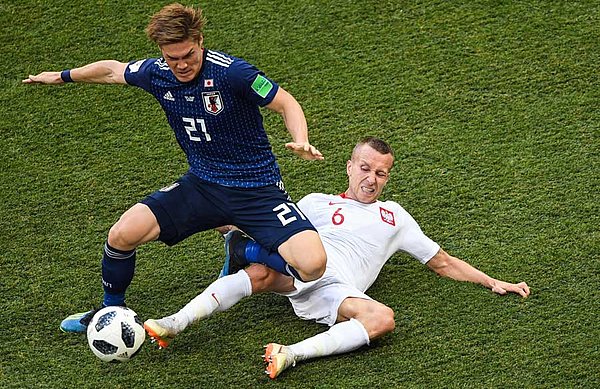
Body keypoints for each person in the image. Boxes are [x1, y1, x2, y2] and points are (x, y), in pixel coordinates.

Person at [23, 3, 327, 333]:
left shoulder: (233, 73)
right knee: (121, 235)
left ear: (200, 41)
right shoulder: (157, 73)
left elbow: (286, 102)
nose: (181, 65)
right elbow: (112, 70)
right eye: (172, 58)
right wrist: (62, 76)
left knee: (312, 265)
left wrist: (301, 139)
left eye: (188, 55)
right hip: (203, 186)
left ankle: (244, 247)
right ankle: (110, 311)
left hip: (257, 190)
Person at [143, 136, 530, 379]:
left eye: (381, 173)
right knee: (260, 271)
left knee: (382, 319)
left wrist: (493, 280)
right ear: (349, 167)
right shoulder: (315, 203)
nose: (371, 178)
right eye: (365, 168)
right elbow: (273, 227)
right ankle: (174, 323)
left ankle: (291, 354)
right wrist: (221, 219)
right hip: (298, 271)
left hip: (338, 288)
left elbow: (441, 261)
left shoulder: (394, 216)